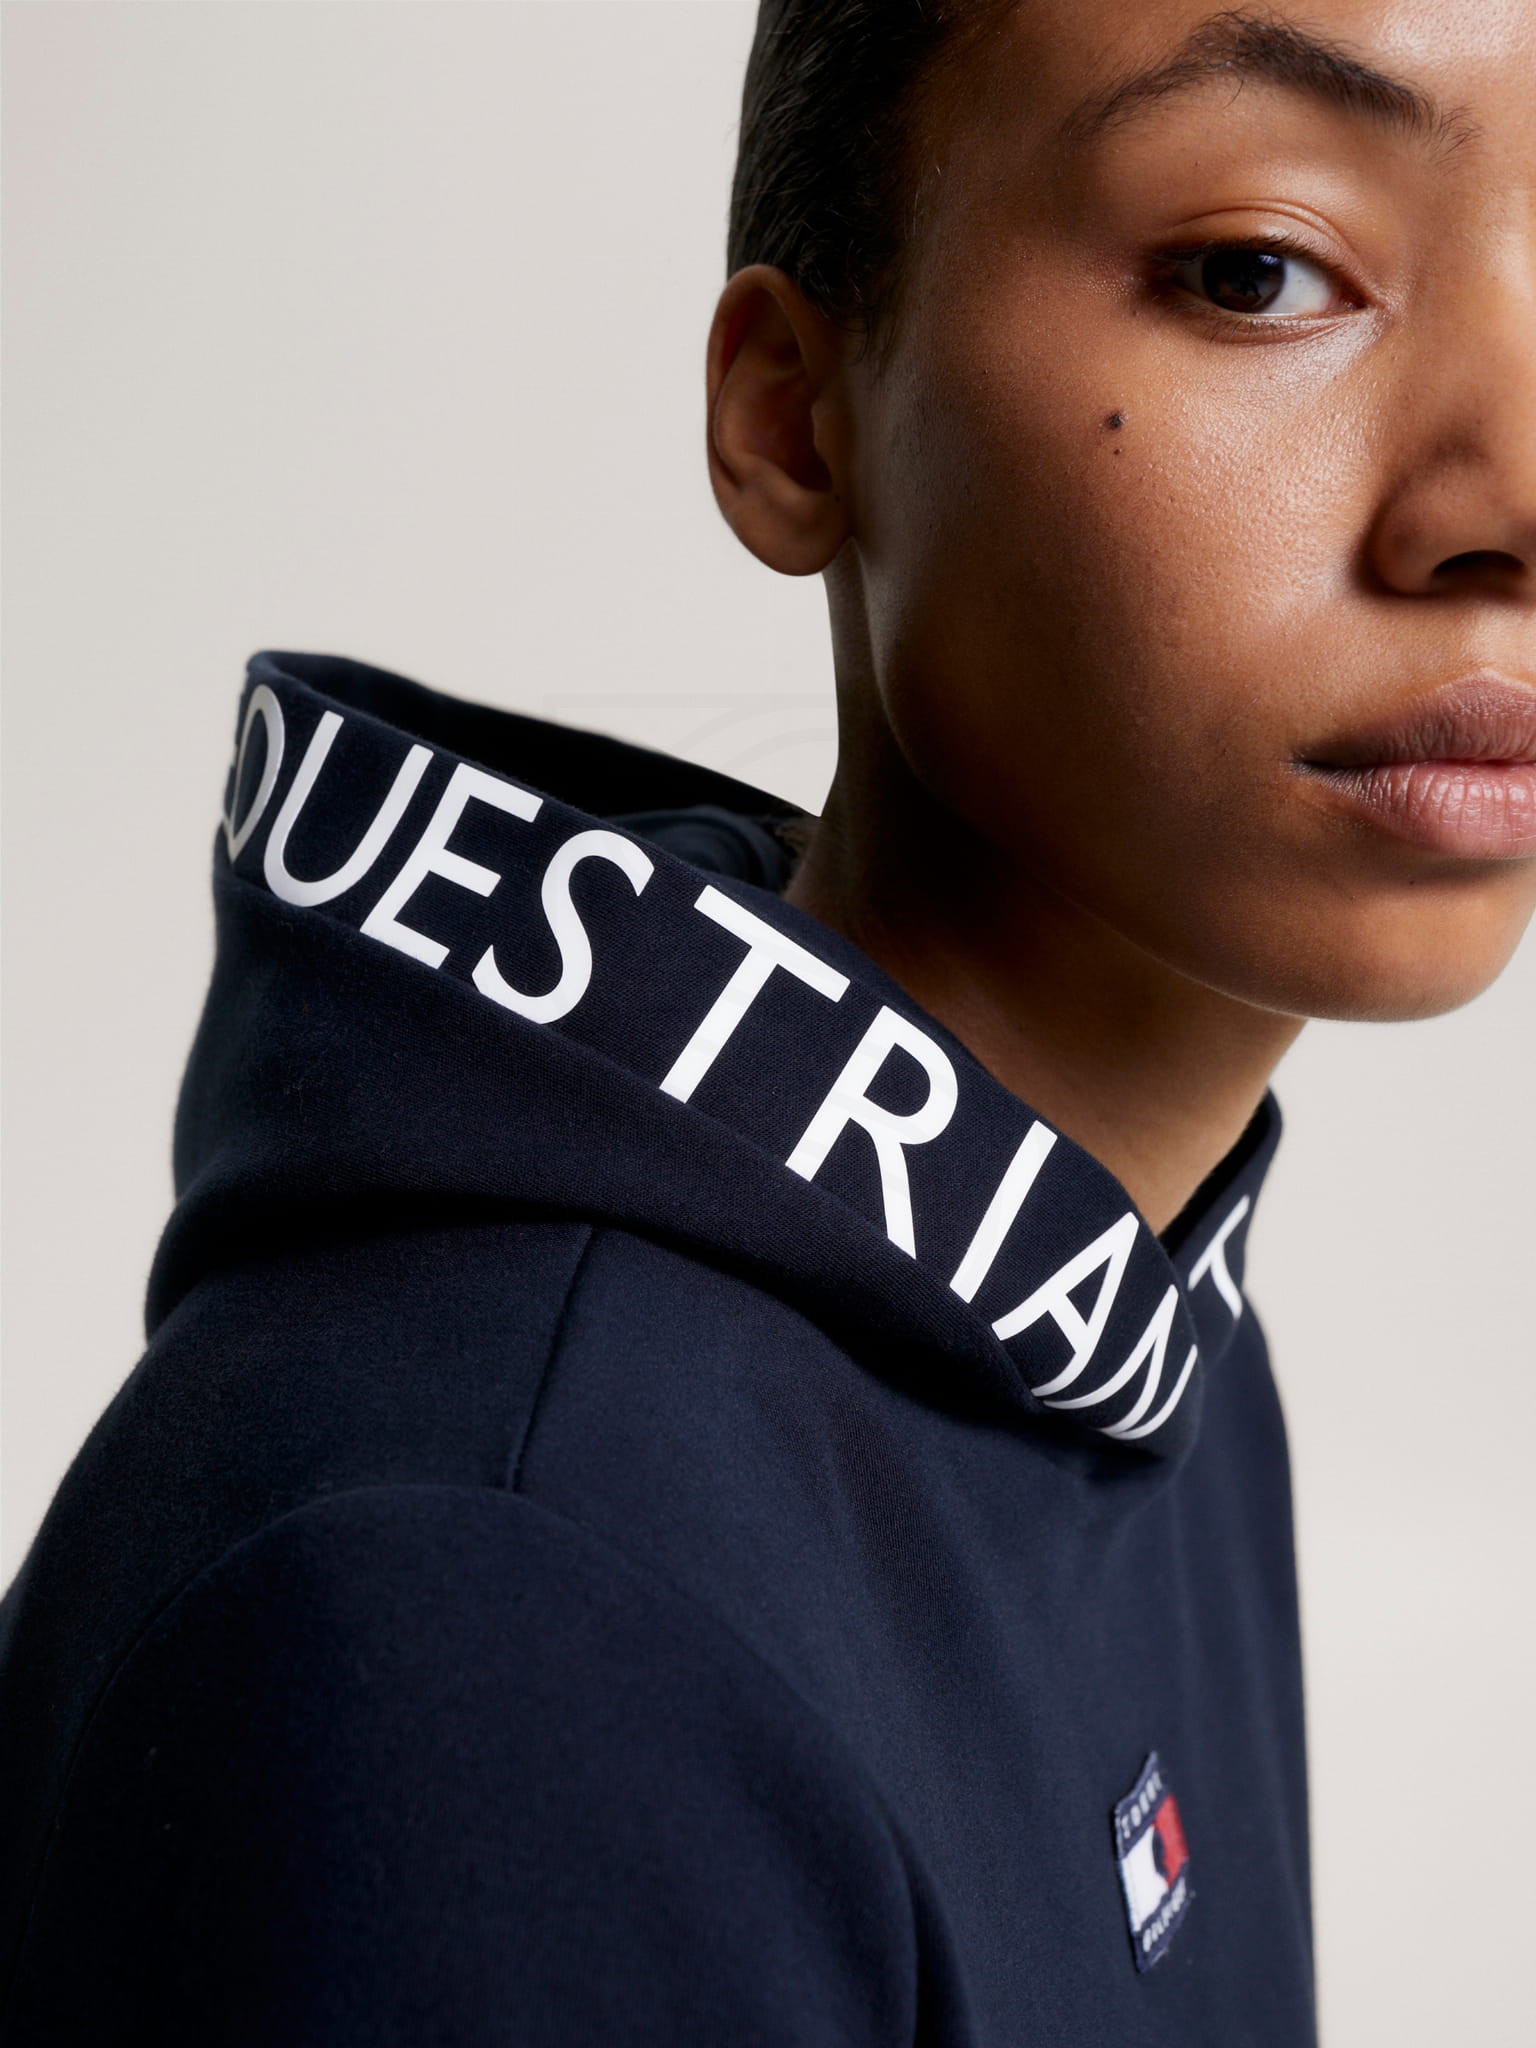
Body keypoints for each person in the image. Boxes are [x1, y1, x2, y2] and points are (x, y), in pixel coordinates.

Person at [2, 0, 1532, 2040]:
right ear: (798, 420)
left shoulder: (1135, 1320)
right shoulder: (504, 1599)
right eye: (1257, 270)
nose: (1510, 491)